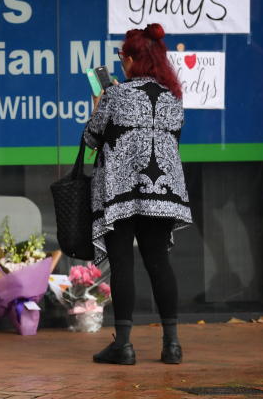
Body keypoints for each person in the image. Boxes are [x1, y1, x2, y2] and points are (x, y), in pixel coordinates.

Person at [83, 23, 191, 366]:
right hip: (163, 192)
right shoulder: (173, 97)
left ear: (131, 59)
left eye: (121, 56)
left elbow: (90, 139)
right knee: (159, 262)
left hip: (120, 194)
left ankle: (124, 346)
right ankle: (172, 345)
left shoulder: (116, 95)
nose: (120, 62)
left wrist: (98, 102)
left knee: (123, 263)